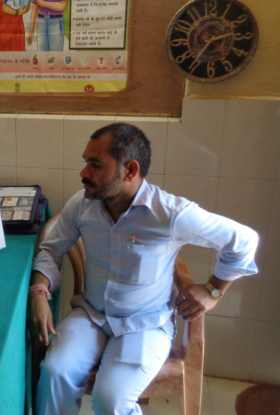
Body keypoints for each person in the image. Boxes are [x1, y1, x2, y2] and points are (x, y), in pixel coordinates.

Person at [28, 123, 258, 415]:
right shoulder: (82, 204)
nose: (84, 173)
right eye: (86, 162)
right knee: (54, 372)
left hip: (145, 324)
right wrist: (39, 291)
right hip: (92, 315)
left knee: (111, 400)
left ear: (130, 171)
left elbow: (245, 240)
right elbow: (51, 249)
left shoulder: (171, 215)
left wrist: (214, 289)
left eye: (95, 164)